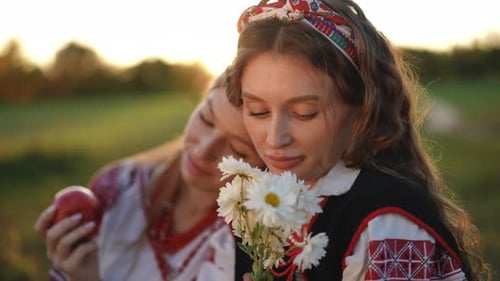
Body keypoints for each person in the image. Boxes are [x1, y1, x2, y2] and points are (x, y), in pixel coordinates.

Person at [225, 0, 491, 280]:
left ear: (361, 108)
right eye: (257, 111)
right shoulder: (248, 203)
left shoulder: (383, 224)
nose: (274, 138)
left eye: (305, 113)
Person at [34, 73, 266, 281]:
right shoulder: (117, 189)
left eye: (237, 149)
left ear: (265, 166)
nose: (202, 150)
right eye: (205, 119)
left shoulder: (251, 249)